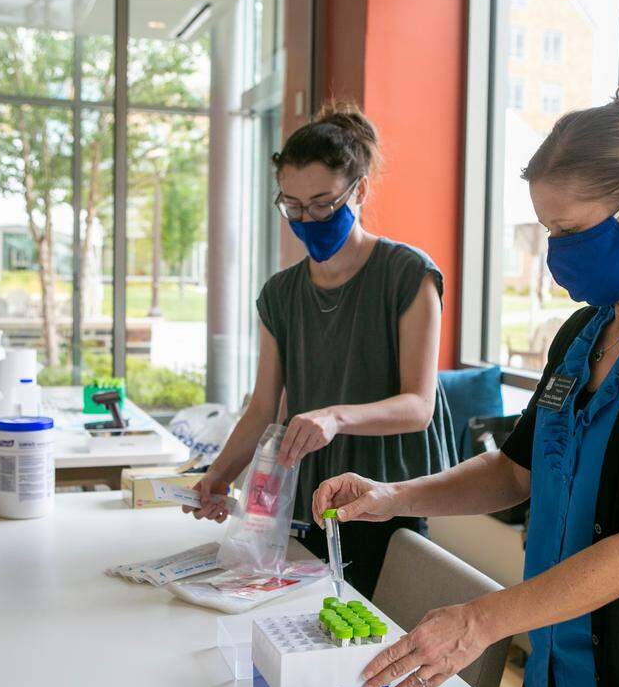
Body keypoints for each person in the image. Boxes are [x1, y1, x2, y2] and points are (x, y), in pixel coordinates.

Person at [312, 83, 619, 687]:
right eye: (549, 230)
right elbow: (515, 471)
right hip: (555, 677)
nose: (555, 252)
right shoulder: (582, 334)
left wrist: (479, 621)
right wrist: (392, 497)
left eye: (569, 230)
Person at [187, 101, 458, 598]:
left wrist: (334, 417)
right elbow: (262, 410)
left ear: (360, 191)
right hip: (307, 497)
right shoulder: (280, 294)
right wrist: (217, 477)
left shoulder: (407, 274)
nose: (307, 219)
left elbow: (418, 407)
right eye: (292, 206)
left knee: (371, 628)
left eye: (322, 204)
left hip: (384, 494)